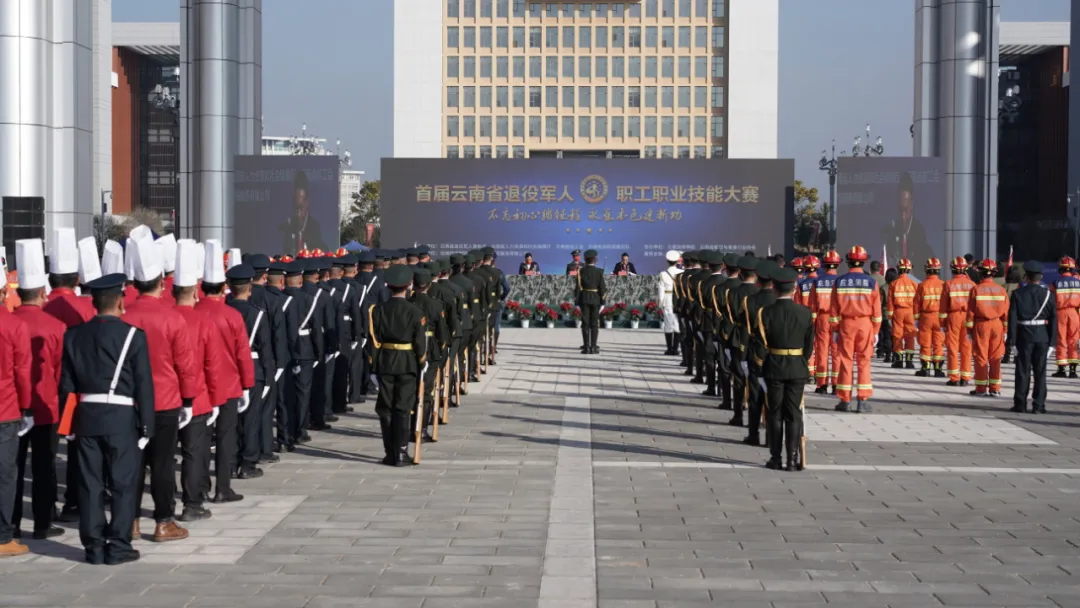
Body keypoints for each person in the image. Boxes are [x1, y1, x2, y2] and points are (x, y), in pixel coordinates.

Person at [58, 272, 155, 565]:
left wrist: (68, 426)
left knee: (90, 485)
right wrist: (147, 425)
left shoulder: (73, 335)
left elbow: (66, 385)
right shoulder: (133, 336)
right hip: (122, 417)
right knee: (124, 484)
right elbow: (144, 384)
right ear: (120, 302)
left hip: (86, 416)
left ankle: (94, 547)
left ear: (94, 304)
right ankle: (119, 546)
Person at [123, 233, 197, 542]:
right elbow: (185, 364)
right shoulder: (172, 318)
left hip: (130, 401)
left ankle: (131, 521)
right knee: (163, 464)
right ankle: (163, 520)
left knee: (131, 464)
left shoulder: (125, 316)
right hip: (165, 400)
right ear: (162, 284)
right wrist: (189, 399)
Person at [195, 241, 254, 503]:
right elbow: (243, 353)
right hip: (229, 383)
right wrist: (247, 384)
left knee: (201, 439)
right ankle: (223, 487)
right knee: (226, 436)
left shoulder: (193, 312)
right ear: (223, 288)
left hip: (199, 384)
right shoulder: (232, 315)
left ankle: (200, 486)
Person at [44, 230, 97, 523]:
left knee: (45, 450)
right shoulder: (87, 308)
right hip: (77, 387)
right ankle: (74, 501)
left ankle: (46, 506)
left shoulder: (39, 307)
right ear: (76, 280)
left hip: (44, 387)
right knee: (79, 447)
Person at [7, 240, 50, 548]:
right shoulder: (54, 325)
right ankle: (43, 523)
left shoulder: (14, 320)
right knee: (44, 467)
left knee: (12, 468)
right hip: (43, 404)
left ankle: (12, 524)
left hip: (14, 407)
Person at [171, 240, 217, 522]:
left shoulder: (165, 316)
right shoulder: (203, 321)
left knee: (161, 456)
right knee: (193, 453)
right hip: (197, 395)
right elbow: (212, 364)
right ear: (195, 291)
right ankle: (192, 503)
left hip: (162, 396)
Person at [368, 264, 426, 466]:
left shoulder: (377, 310)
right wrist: (422, 361)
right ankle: (401, 452)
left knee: (385, 409)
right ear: (409, 285)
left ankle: (389, 452)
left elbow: (373, 340)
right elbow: (420, 341)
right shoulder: (415, 311)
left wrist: (373, 366)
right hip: (408, 362)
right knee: (402, 408)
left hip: (385, 362)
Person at [758, 267, 814, 471]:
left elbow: (760, 342)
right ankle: (791, 460)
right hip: (797, 368)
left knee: (775, 413)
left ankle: (775, 458)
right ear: (794, 289)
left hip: (774, 367)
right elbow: (809, 346)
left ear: (774, 289)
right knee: (793, 414)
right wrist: (799, 361)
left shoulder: (765, 313)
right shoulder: (805, 313)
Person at [226, 263, 272, 479]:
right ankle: (247, 463)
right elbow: (265, 348)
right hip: (253, 368)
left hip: (228, 368)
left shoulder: (225, 312)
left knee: (230, 419)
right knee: (251, 418)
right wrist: (269, 376)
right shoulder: (257, 314)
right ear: (250, 288)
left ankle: (230, 460)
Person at [830, 245, 882, 413]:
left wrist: (836, 330)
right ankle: (862, 400)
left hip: (846, 325)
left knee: (845, 361)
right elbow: (877, 313)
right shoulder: (872, 282)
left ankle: (845, 401)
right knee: (864, 362)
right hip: (865, 325)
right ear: (864, 262)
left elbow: (834, 310)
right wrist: (875, 331)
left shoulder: (839, 281)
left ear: (848, 261)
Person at [281, 261, 320, 452]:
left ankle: (286, 430)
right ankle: (300, 429)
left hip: (284, 349)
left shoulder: (279, 298)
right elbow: (316, 329)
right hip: (304, 349)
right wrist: (319, 351)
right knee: (303, 392)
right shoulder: (309, 299)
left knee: (286, 394)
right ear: (300, 280)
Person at [1011, 261, 1056, 413]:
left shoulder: (1017, 294)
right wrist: (1052, 342)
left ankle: (1020, 404)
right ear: (1040, 276)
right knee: (1040, 373)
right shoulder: (1048, 295)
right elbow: (1054, 320)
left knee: (1023, 372)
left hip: (1024, 336)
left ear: (1026, 277)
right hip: (1042, 336)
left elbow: (1012, 319)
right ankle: (1038, 406)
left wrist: (1012, 342)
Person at [409, 268, 447, 443]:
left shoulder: (408, 302)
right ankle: (422, 429)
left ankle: (410, 428)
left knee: (411, 390)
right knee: (426, 391)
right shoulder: (435, 305)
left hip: (408, 350)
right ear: (429, 286)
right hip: (430, 350)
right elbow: (442, 335)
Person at [744, 260, 777, 446]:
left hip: (757, 352)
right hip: (777, 354)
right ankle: (771, 437)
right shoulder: (777, 301)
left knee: (755, 395)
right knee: (773, 396)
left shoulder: (750, 300)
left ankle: (753, 433)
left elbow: (746, 327)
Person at [968, 259, 1009, 397]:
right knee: (996, 357)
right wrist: (1005, 331)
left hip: (981, 325)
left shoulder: (976, 289)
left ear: (980, 272)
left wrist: (969, 331)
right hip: (997, 325)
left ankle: (981, 388)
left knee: (981, 356)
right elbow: (1006, 313)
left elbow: (971, 312)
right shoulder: (1001, 290)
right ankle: (995, 388)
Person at [726, 256, 760, 426]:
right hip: (757, 339)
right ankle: (759, 419)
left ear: (741, 272)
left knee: (738, 378)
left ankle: (738, 414)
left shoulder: (733, 292)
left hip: (739, 337)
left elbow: (730, 316)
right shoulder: (759, 293)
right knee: (756, 381)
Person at [807, 250, 841, 394]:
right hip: (838, 320)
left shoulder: (817, 282)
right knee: (836, 352)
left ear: (823, 265)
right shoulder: (841, 281)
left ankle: (821, 385)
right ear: (837, 265)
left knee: (822, 351)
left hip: (822, 319)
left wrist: (813, 325)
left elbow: (812, 307)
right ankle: (835, 384)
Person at [884, 172, 933, 264]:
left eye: (906, 211)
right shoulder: (891, 232)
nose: (902, 217)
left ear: (912, 205)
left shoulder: (920, 234)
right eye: (900, 210)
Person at [698, 252, 728, 400]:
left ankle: (711, 387)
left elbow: (701, 303)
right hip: (721, 321)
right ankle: (722, 388)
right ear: (722, 266)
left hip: (708, 321)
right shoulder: (725, 282)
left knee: (709, 356)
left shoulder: (704, 283)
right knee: (722, 357)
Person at [942, 257, 976, 387]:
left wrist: (942, 324)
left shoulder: (948, 284)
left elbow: (943, 307)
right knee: (966, 347)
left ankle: (954, 377)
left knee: (952, 347)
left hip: (953, 317)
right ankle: (966, 377)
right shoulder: (972, 284)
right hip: (968, 317)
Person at [280, 170, 326, 255]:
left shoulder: (315, 227)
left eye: (300, 208)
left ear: (307, 202)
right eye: (296, 208)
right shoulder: (287, 228)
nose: (298, 213)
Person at [914, 258, 946, 377]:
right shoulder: (944, 285)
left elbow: (916, 303)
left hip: (926, 317)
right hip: (939, 318)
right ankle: (938, 369)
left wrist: (916, 319)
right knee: (938, 343)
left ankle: (925, 368)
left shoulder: (922, 285)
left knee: (925, 343)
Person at [1050, 257, 1080, 378]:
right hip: (1074, 313)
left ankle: (1061, 369)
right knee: (1073, 340)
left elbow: (1051, 301)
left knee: (1061, 340)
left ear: (1060, 269)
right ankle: (1073, 370)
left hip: (1060, 313)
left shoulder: (1055, 283)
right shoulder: (1078, 282)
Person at [887, 258, 918, 369]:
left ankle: (899, 361)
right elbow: (917, 301)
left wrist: (890, 315)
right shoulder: (914, 284)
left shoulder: (893, 283)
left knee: (897, 335)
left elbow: (890, 301)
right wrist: (916, 314)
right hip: (910, 312)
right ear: (909, 270)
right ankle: (909, 362)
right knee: (910, 336)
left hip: (898, 311)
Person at [574, 249, 606, 354]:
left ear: (585, 259)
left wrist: (577, 302)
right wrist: (603, 301)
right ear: (595, 259)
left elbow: (578, 288)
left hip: (584, 299)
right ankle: (593, 347)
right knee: (595, 323)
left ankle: (587, 347)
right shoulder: (599, 271)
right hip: (596, 299)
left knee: (585, 323)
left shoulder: (580, 271)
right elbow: (602, 288)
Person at [658, 250, 683, 356]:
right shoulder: (681, 273)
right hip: (678, 300)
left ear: (667, 261)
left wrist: (660, 304)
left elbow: (661, 290)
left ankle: (669, 348)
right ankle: (676, 348)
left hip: (668, 299)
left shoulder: (663, 274)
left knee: (668, 325)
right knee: (677, 324)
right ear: (677, 261)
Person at [1002, 263, 1023, 363]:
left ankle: (1006, 356)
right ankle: (1016, 356)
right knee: (1018, 337)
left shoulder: (1004, 286)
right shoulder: (1021, 286)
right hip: (1018, 314)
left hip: (1006, 313)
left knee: (1008, 336)